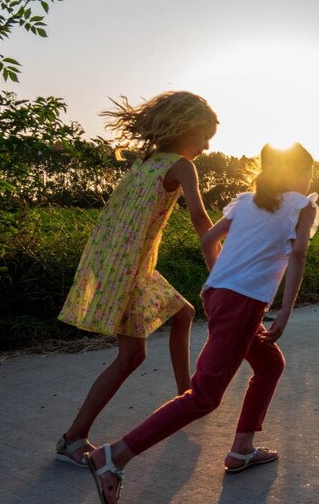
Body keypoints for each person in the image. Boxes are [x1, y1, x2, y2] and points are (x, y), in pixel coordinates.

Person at [86, 142, 319, 504]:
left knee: (269, 365)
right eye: (308, 172)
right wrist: (285, 313)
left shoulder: (247, 201)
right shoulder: (302, 206)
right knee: (203, 397)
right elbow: (298, 255)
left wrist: (222, 277)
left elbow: (209, 239)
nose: (309, 180)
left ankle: (242, 449)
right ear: (296, 173)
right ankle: (114, 456)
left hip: (217, 295)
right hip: (242, 304)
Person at [54, 91, 218, 467]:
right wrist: (221, 265)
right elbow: (200, 219)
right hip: (129, 271)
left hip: (125, 264)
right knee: (131, 357)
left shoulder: (148, 162)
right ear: (186, 128)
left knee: (183, 314)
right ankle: (73, 438)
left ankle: (185, 397)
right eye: (205, 136)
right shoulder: (181, 166)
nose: (207, 146)